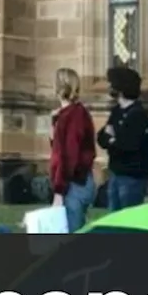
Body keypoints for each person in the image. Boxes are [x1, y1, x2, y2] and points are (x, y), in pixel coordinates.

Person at [96, 66, 148, 212]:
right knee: (114, 219)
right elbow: (101, 138)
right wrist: (112, 139)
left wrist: (113, 140)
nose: (109, 87)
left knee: (128, 221)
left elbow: (129, 145)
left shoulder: (138, 114)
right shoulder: (117, 111)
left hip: (132, 177)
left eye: (112, 84)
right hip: (116, 172)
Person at [50, 68, 96, 232]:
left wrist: (59, 192)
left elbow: (68, 157)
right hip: (77, 182)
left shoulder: (73, 116)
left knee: (71, 235)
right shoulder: (71, 114)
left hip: (75, 184)